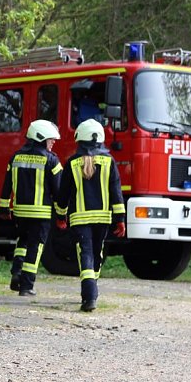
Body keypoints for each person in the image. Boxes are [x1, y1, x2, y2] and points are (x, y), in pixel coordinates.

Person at [54, 119, 126, 312]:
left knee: (85, 254)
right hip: (103, 219)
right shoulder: (109, 161)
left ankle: (89, 297)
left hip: (80, 219)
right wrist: (120, 220)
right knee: (96, 253)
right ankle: (92, 292)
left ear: (79, 138)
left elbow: (64, 194)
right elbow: (116, 193)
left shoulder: (72, 163)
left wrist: (60, 216)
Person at [0, 120, 63, 296]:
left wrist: (4, 208)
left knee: (22, 242)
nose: (53, 142)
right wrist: (62, 214)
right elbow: (59, 191)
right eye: (51, 139)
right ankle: (27, 286)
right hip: (40, 213)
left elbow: (7, 185)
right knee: (36, 246)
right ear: (41, 138)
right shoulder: (51, 160)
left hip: (20, 213)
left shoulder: (16, 157)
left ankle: (16, 274)